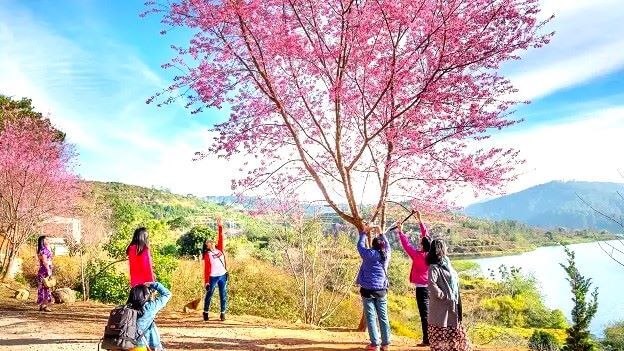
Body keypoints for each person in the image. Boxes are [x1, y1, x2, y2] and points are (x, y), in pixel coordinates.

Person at [426, 239, 471, 351]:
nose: (446, 249)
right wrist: (443, 295)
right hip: (441, 306)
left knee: (454, 330)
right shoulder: (434, 267)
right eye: (445, 247)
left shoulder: (446, 263)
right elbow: (431, 284)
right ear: (440, 249)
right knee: (442, 330)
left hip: (452, 304)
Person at [396, 211, 431, 346]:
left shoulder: (418, 256)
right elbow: (426, 237)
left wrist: (400, 232)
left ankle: (427, 340)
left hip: (421, 290)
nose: (419, 243)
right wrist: (420, 221)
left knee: (424, 314)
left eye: (420, 243)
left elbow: (406, 245)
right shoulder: (429, 254)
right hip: (430, 288)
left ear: (423, 245)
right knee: (429, 313)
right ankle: (430, 338)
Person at [356, 223, 393, 351]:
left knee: (371, 317)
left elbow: (359, 246)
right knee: (383, 316)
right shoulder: (386, 254)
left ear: (373, 245)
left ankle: (375, 344)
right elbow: (388, 246)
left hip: (367, 290)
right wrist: (382, 233)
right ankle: (386, 343)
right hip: (381, 290)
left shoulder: (368, 254)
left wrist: (364, 232)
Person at [127, 281, 172, 351]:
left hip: (126, 344)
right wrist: (153, 284)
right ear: (145, 295)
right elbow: (167, 294)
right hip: (142, 346)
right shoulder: (149, 308)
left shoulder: (126, 309)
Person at [202, 216, 228, 322]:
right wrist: (206, 282)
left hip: (222, 275)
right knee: (210, 294)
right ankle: (206, 312)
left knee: (223, 294)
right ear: (206, 245)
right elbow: (206, 269)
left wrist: (220, 226)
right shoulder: (207, 255)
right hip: (213, 277)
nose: (211, 243)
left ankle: (223, 313)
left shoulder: (219, 249)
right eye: (208, 242)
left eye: (212, 241)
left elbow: (220, 237)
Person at [36, 235, 53, 312]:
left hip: (44, 270)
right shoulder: (43, 250)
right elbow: (45, 261)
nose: (48, 240)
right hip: (44, 270)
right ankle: (44, 305)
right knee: (45, 288)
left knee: (45, 288)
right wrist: (48, 270)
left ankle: (43, 305)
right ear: (43, 241)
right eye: (46, 239)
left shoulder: (44, 249)